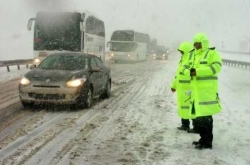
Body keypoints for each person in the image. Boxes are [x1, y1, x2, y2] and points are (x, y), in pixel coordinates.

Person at [183, 33, 222, 149]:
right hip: (195, 93)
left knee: (206, 119)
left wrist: (197, 72)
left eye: (199, 43)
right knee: (199, 119)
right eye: (195, 44)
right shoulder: (191, 55)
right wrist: (189, 72)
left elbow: (217, 67)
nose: (197, 46)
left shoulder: (212, 53)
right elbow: (184, 67)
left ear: (204, 43)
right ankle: (202, 139)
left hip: (207, 93)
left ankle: (207, 142)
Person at [170, 42, 196, 132]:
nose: (180, 53)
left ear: (186, 51)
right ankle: (185, 125)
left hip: (188, 88)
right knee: (183, 107)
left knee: (191, 108)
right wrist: (174, 85)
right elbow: (178, 75)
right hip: (182, 89)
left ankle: (196, 127)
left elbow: (191, 74)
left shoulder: (191, 60)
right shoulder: (182, 60)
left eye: (182, 51)